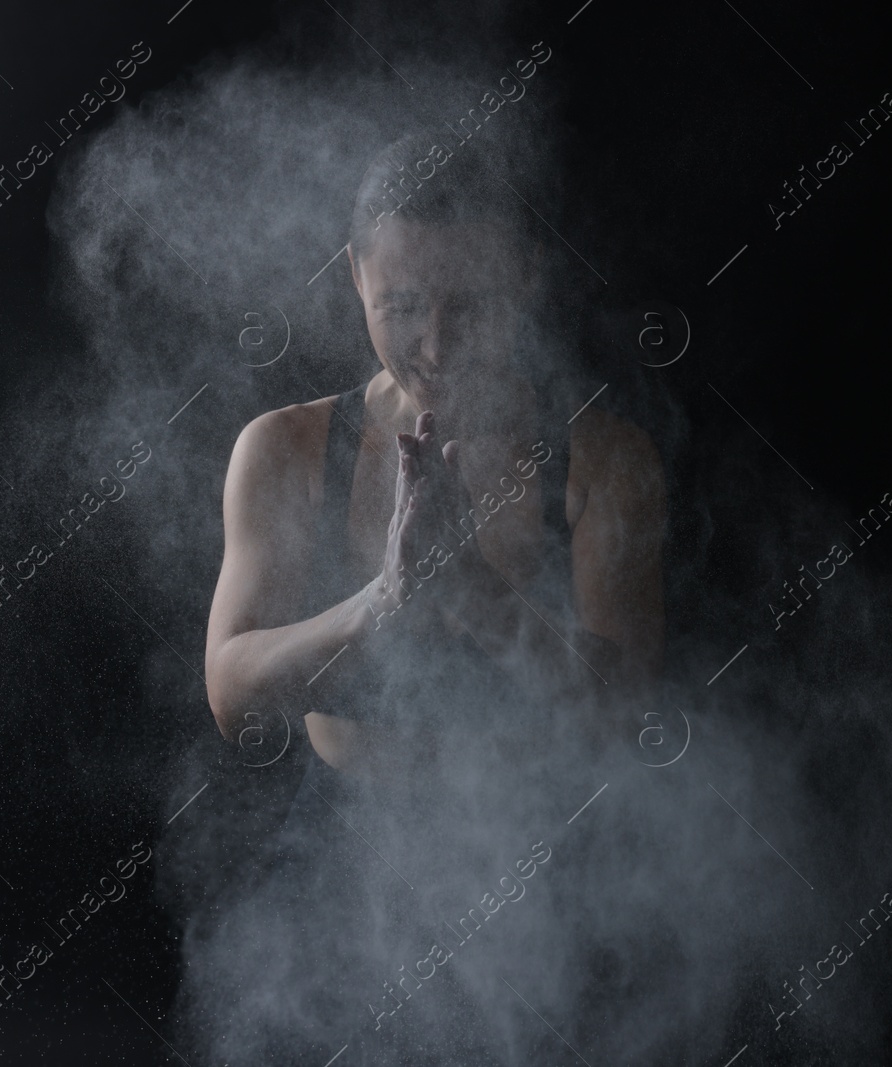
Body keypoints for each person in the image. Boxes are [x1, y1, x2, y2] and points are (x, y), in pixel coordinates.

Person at [194, 133, 667, 1063]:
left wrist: (485, 606)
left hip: (553, 862)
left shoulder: (603, 461)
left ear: (528, 275)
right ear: (355, 275)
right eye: (401, 305)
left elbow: (628, 717)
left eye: (472, 304)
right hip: (341, 856)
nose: (438, 345)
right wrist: (389, 598)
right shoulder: (287, 449)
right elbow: (231, 693)